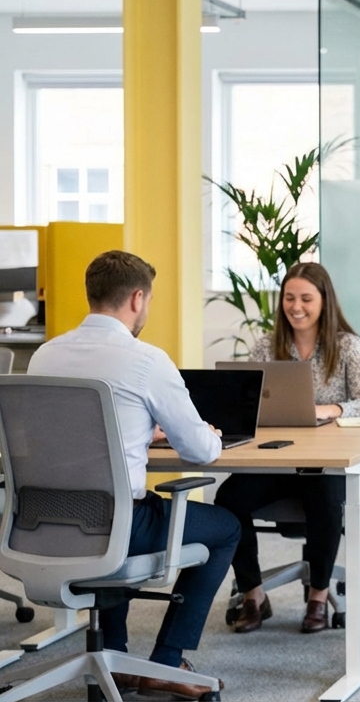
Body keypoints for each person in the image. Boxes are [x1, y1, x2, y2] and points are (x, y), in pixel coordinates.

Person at [27, 250, 239, 700]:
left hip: (41, 525)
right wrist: (213, 434)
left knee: (113, 506)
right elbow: (200, 452)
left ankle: (117, 655)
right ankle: (165, 662)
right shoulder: (146, 360)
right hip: (116, 527)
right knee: (225, 527)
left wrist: (136, 434)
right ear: (138, 298)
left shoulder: (45, 355)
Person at [214, 261, 360, 634]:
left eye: (306, 298)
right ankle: (254, 594)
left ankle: (318, 598)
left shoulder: (345, 346)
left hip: (325, 465)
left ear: (325, 301)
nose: (296, 306)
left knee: (324, 500)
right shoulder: (266, 347)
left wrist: (331, 409)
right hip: (276, 462)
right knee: (228, 502)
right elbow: (243, 404)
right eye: (289, 298)